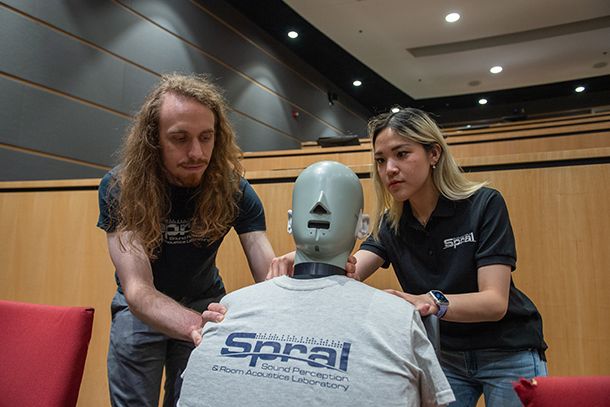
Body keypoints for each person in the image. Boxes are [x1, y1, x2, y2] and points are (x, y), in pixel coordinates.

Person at [269, 109, 548, 407]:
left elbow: (494, 302)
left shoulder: (484, 204)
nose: (389, 168)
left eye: (401, 154)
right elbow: (351, 270)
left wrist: (427, 301)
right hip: (444, 356)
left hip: (508, 351)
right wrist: (306, 256)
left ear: (434, 154)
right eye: (380, 159)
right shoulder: (391, 223)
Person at [178, 161, 455, 407]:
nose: (319, 206)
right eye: (310, 198)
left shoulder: (399, 319)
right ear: (289, 221)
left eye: (336, 200)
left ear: (363, 227)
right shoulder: (227, 310)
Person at [97, 72, 275, 407]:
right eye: (180, 138)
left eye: (206, 138)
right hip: (140, 312)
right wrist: (197, 327)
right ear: (154, 139)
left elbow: (267, 274)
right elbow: (137, 289)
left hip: (204, 303)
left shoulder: (233, 189)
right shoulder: (120, 188)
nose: (197, 152)